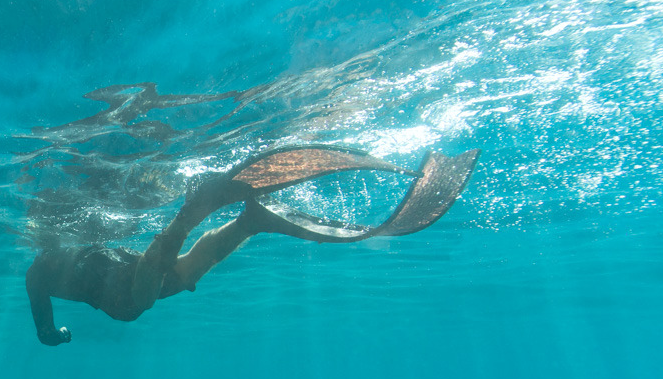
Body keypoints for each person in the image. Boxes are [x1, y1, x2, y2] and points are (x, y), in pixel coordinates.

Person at [27, 146, 480, 345]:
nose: (45, 236)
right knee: (181, 275)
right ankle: (251, 222)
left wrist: (59, 335)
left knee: (138, 298)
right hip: (126, 275)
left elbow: (47, 332)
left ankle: (192, 212)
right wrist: (58, 335)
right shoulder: (43, 270)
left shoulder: (45, 266)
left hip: (124, 281)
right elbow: (46, 332)